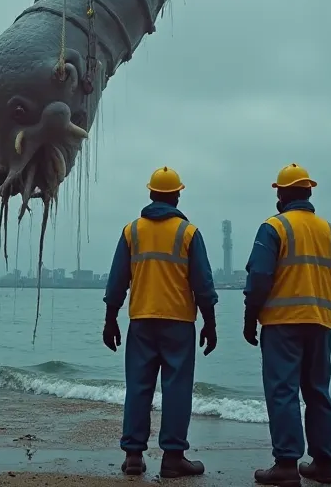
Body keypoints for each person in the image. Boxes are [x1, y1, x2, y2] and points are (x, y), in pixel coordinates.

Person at [103, 166, 218, 479]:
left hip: (141, 320)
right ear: (177, 195)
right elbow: (203, 283)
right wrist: (210, 322)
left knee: (138, 388)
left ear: (151, 194)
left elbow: (117, 280)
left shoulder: (132, 231)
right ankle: (173, 458)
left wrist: (110, 318)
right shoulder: (189, 233)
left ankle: (133, 457)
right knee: (177, 388)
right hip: (178, 322)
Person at [244, 163, 331, 487]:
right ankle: (323, 464)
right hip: (319, 323)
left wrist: (251, 318)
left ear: (282, 194)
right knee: (318, 392)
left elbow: (260, 277)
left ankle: (287, 465)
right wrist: (319, 303)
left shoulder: (273, 228)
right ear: (308, 192)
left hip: (281, 325)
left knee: (283, 392)